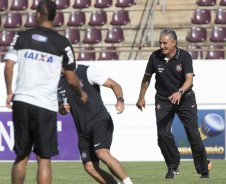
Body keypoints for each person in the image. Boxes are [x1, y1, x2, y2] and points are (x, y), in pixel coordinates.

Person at [4, 0, 87, 183]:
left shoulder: (21, 36)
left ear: (37, 14)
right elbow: (72, 79)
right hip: (45, 105)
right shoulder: (62, 43)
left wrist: (10, 92)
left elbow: (8, 66)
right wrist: (81, 94)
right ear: (55, 16)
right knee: (44, 158)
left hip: (22, 101)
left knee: (21, 155)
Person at [136, 29, 211, 179]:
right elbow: (146, 79)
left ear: (174, 43)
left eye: (165, 43)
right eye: (160, 43)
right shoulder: (154, 57)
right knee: (162, 134)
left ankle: (203, 170)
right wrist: (141, 97)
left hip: (185, 99)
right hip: (163, 100)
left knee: (193, 135)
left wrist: (180, 92)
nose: (162, 46)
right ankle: (173, 166)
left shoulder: (185, 56)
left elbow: (189, 79)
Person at [58, 64, 133, 184]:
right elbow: (61, 108)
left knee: (102, 153)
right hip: (82, 129)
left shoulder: (87, 71)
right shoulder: (57, 82)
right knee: (90, 167)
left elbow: (115, 85)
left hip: (99, 120)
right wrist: (62, 108)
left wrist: (120, 100)